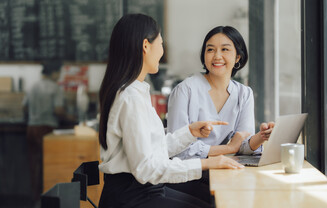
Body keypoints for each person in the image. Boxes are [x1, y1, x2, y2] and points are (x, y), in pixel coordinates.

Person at [97, 14, 243, 208]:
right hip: (132, 198)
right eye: (161, 44)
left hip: (143, 191)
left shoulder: (135, 91)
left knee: (212, 202)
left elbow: (152, 150)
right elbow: (146, 168)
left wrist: (190, 133)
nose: (162, 51)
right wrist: (205, 163)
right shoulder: (130, 97)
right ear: (146, 46)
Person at [166, 26, 275, 201]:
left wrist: (261, 136)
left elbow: (243, 146)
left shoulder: (244, 94)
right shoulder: (185, 90)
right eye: (210, 50)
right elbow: (179, 151)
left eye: (225, 49)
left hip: (223, 172)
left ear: (237, 56)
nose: (217, 56)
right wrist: (228, 148)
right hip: (189, 176)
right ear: (204, 55)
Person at [23, 60, 75, 202]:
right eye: (59, 72)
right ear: (53, 72)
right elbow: (58, 111)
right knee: (48, 165)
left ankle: (35, 199)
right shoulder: (55, 88)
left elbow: (25, 108)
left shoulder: (31, 86)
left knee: (34, 165)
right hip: (47, 130)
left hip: (31, 128)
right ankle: (47, 199)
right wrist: (71, 116)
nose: (60, 76)